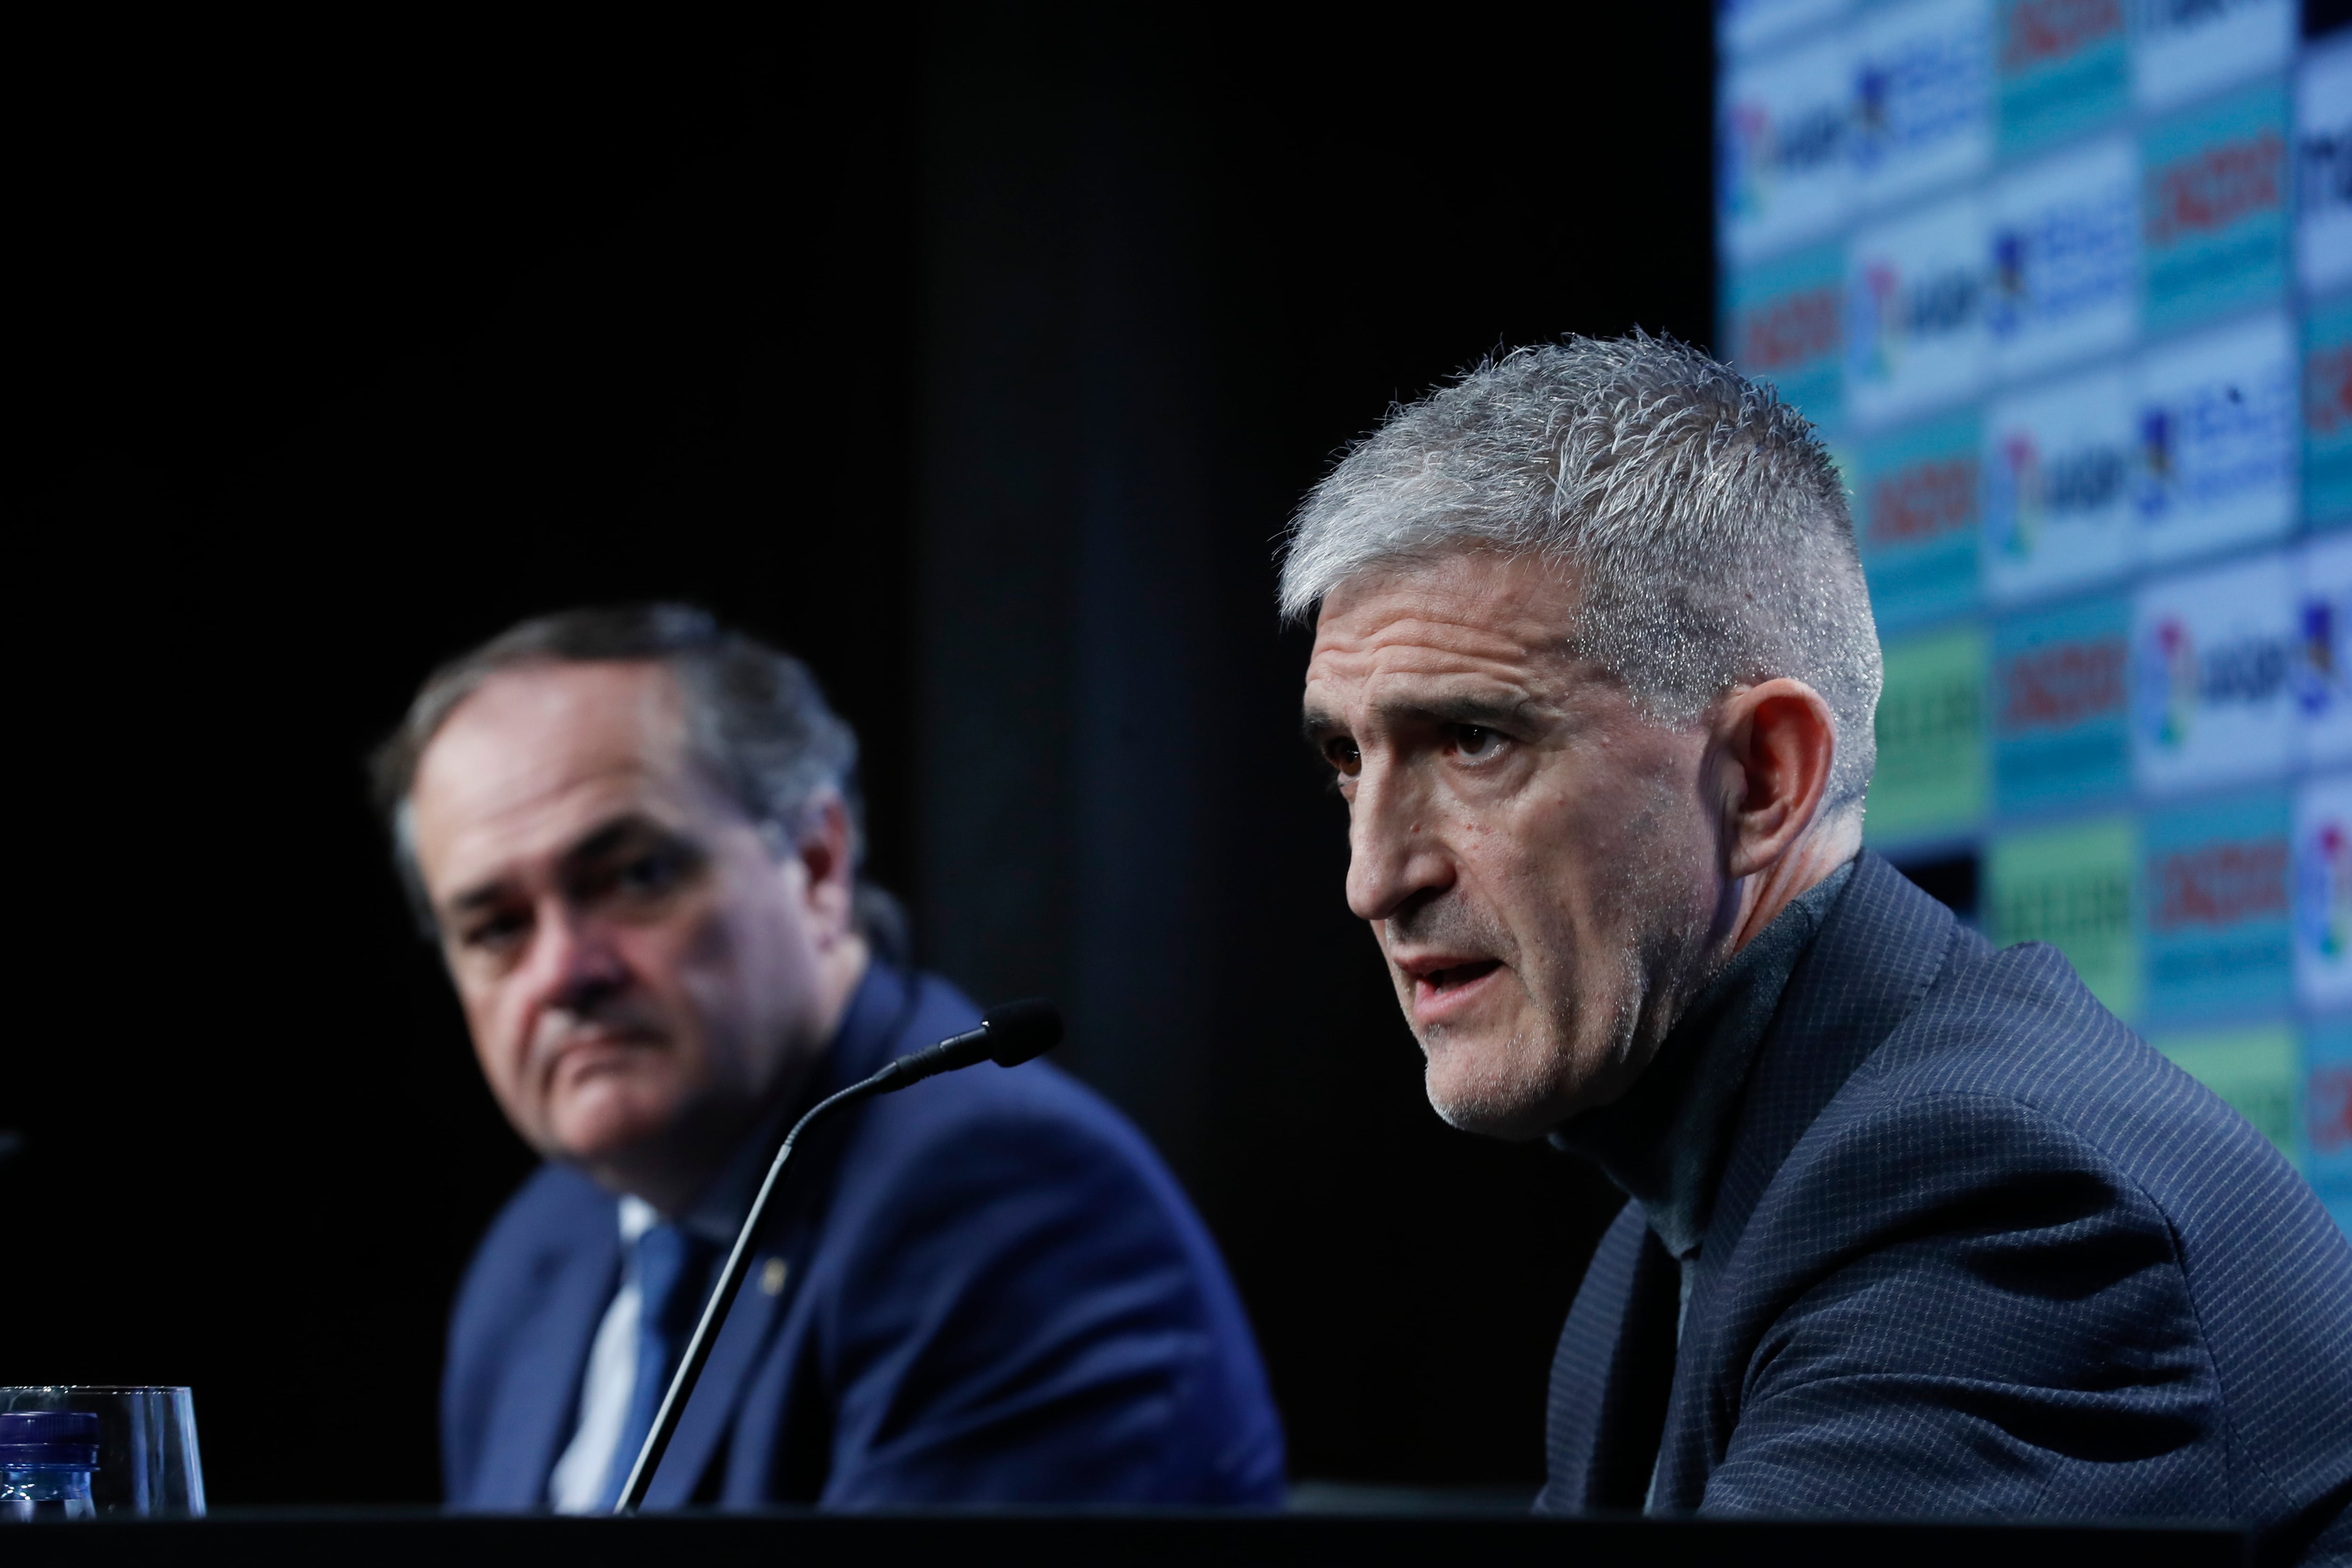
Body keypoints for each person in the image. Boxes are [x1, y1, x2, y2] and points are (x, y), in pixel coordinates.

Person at [1282, 336, 2351, 1558]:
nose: (1376, 876)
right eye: (1347, 758)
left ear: (1764, 776)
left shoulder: (1991, 1207)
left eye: (1473, 739)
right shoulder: (1674, 1231)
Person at [373, 605, 1283, 1512]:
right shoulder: (546, 1243)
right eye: (495, 928)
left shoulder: (998, 1202)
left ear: (816, 862)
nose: (565, 972)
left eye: (635, 876)